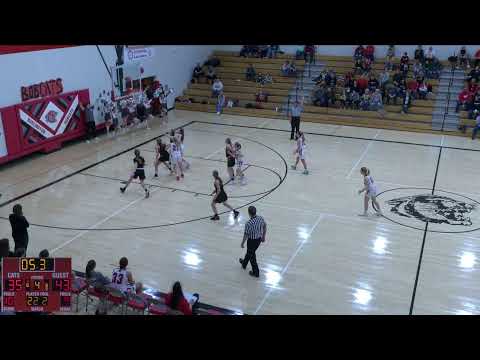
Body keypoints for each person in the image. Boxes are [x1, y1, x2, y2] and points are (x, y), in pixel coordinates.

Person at [239, 206, 267, 278]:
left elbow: (246, 234)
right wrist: (263, 236)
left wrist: (242, 243)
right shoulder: (260, 218)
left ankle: (256, 272)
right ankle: (244, 263)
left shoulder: (249, 223)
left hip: (251, 241)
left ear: (249, 213)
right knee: (250, 252)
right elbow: (265, 226)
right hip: (258, 240)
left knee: (252, 256)